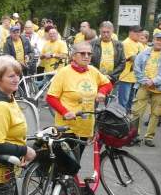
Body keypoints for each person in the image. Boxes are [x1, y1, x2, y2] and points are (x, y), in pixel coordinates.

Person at [46, 41, 112, 183]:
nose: (86, 56)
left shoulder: (93, 71)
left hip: (86, 126)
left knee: (75, 164)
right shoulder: (64, 73)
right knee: (66, 166)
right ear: (73, 56)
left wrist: (102, 92)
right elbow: (51, 97)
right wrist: (64, 112)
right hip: (67, 127)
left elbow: (107, 83)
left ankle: (67, 192)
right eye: (82, 53)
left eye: (89, 54)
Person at [0, 56, 36, 183]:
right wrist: (25, 150)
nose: (16, 79)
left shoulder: (7, 97)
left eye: (18, 75)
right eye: (11, 76)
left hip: (8, 165)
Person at [130, 30, 161, 146]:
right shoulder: (144, 53)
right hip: (143, 86)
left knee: (155, 113)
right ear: (153, 40)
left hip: (160, 88)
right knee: (137, 112)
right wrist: (145, 81)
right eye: (157, 39)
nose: (159, 42)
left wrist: (153, 81)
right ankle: (134, 135)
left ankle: (149, 137)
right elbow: (137, 68)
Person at [116, 26, 143, 112]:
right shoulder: (126, 43)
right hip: (125, 77)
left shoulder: (139, 44)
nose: (139, 35)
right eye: (136, 32)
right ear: (130, 32)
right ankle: (120, 119)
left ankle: (126, 118)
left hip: (135, 77)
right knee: (123, 101)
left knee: (130, 101)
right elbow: (133, 58)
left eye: (140, 33)